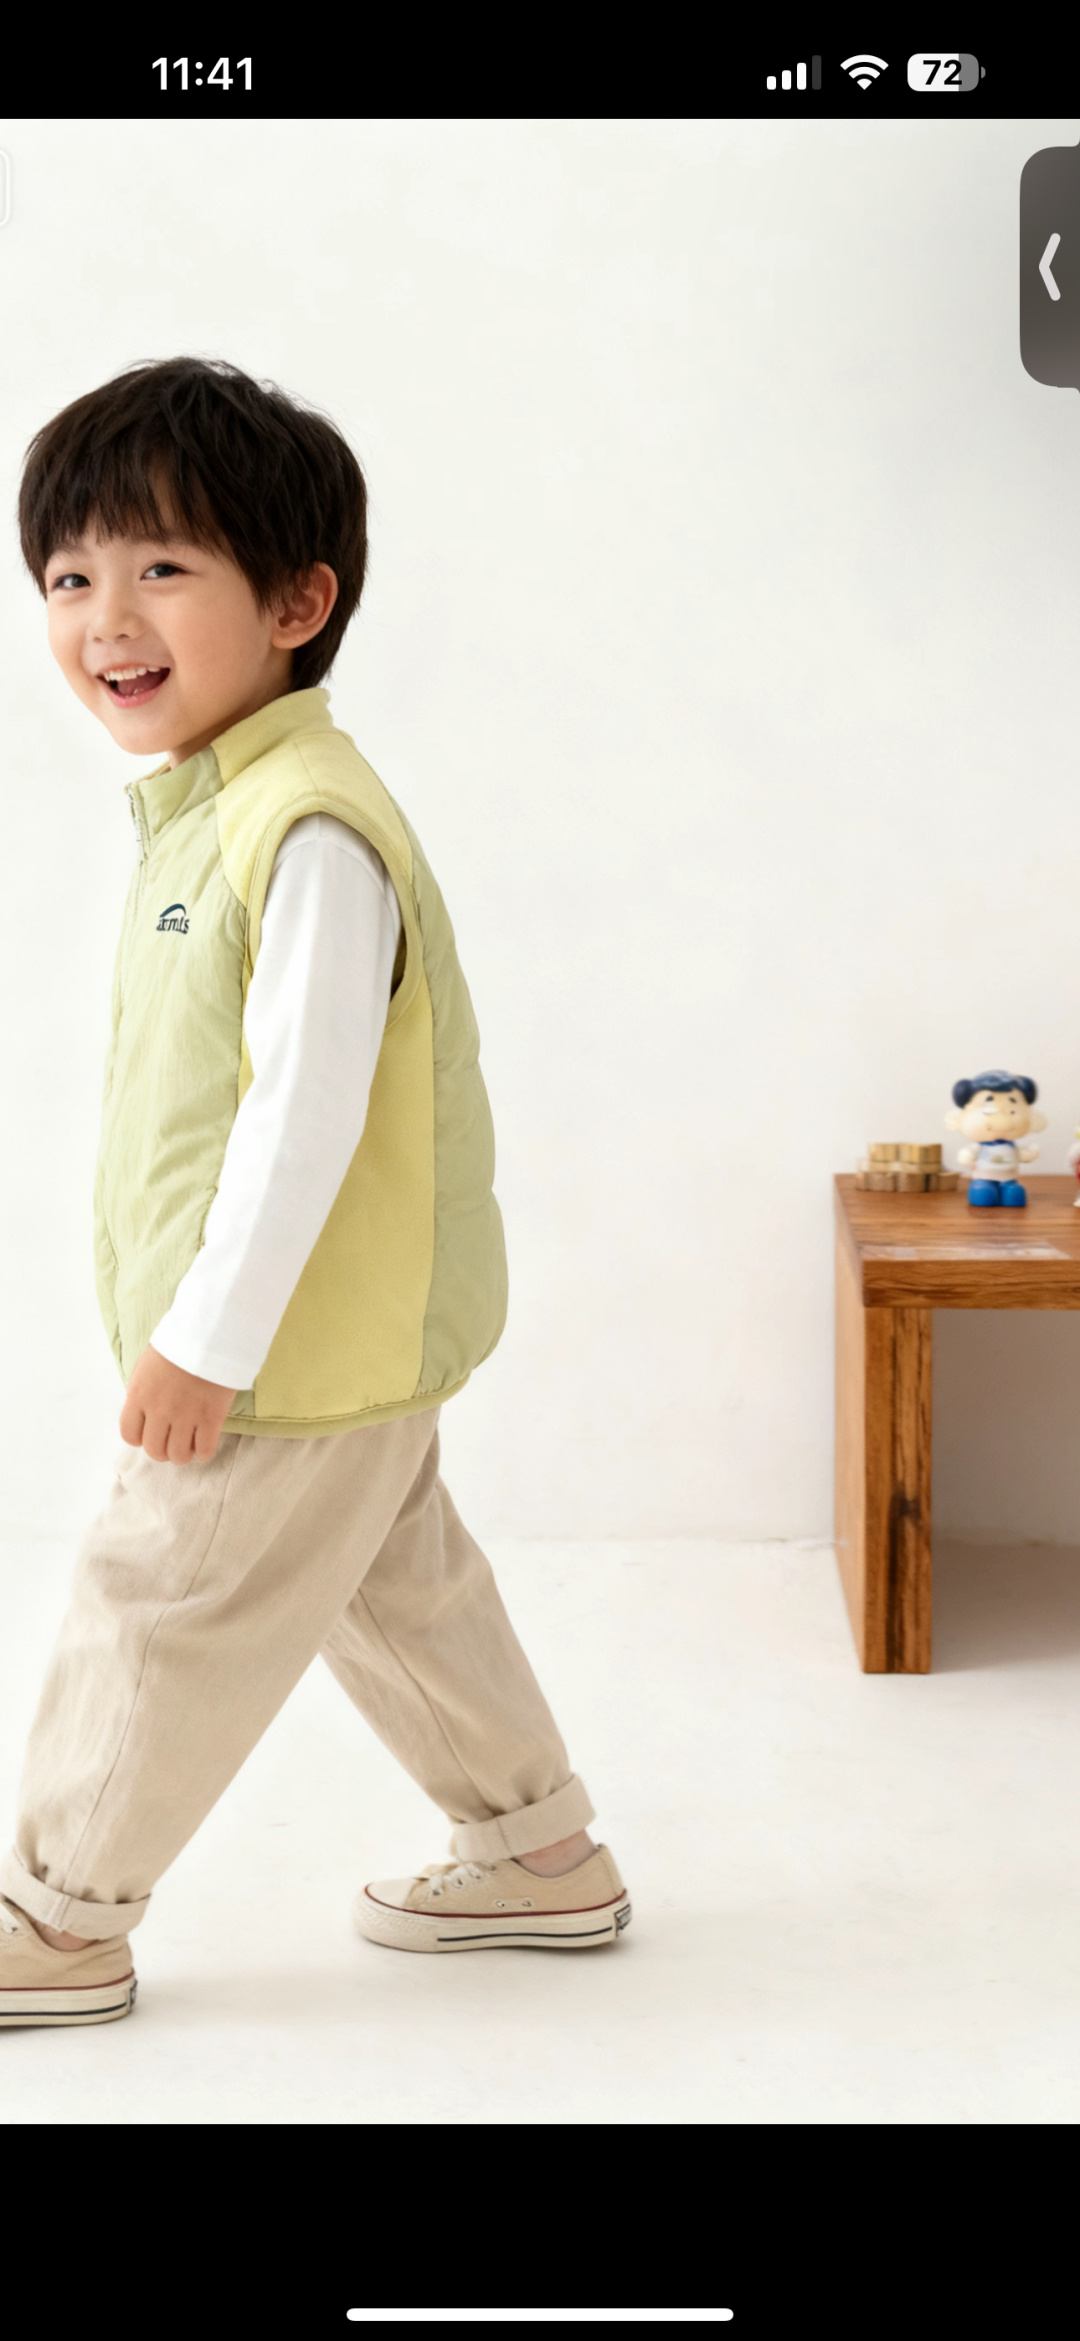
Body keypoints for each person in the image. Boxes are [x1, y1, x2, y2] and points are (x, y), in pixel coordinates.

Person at [0, 357, 630, 2026]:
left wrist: (205, 1343)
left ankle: (57, 1917)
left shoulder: (308, 829)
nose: (105, 617)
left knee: (161, 1596)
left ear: (297, 601)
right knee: (392, 1581)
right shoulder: (214, 816)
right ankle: (540, 1850)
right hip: (330, 1341)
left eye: (161, 566)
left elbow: (305, 1117)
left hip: (281, 1349)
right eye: (68, 575)